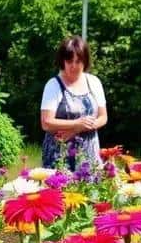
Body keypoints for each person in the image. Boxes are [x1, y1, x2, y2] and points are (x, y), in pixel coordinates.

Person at [40, 35, 107, 171]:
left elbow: (103, 117)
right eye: (70, 61)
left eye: (78, 61)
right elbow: (46, 122)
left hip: (89, 155)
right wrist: (76, 123)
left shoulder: (94, 82)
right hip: (59, 156)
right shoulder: (53, 85)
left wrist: (78, 128)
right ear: (62, 61)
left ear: (85, 61)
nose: (74, 66)